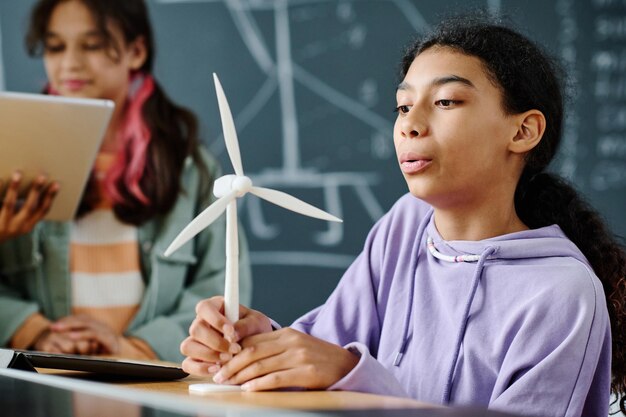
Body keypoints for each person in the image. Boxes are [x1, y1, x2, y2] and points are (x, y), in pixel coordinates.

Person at [179, 13, 626, 417]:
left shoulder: (562, 293)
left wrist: (350, 372)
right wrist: (259, 342)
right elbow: (323, 349)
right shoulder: (405, 224)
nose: (410, 124)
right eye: (403, 105)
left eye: (447, 101)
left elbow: (338, 365)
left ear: (522, 130)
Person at [0, 0, 252, 362]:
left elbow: (222, 289)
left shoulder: (188, 167)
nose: (70, 63)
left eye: (93, 44)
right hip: (41, 384)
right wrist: (32, 330)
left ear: (136, 51)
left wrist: (132, 349)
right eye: (55, 47)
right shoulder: (12, 158)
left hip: (155, 384)